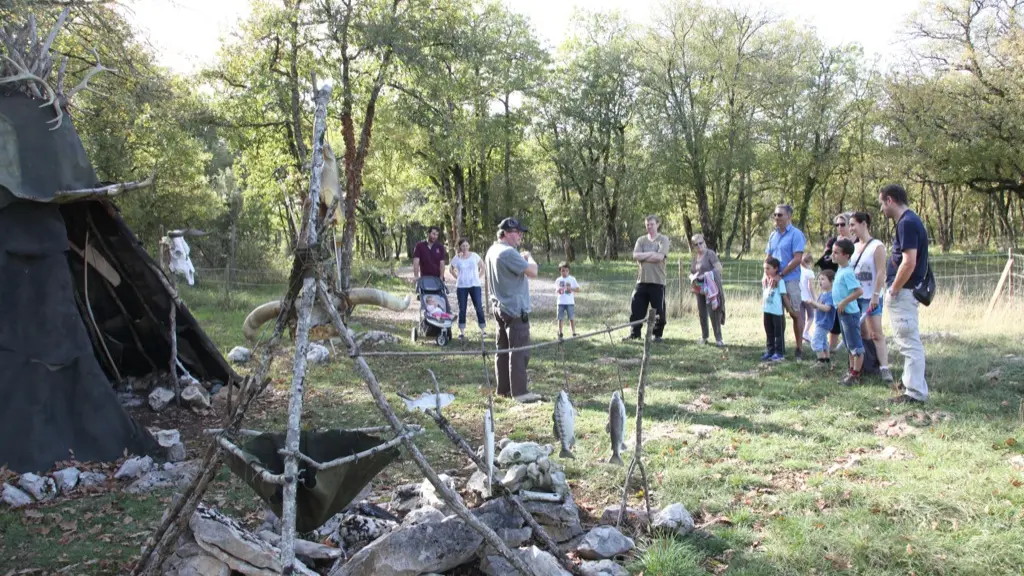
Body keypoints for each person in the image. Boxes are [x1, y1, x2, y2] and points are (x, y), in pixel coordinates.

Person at [879, 183, 930, 404]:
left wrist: (894, 289)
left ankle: (915, 393)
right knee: (908, 341)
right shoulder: (909, 221)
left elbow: (908, 262)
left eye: (882, 203)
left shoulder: (907, 222)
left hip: (905, 291)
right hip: (905, 291)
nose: (882, 209)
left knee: (909, 342)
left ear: (890, 200)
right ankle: (911, 387)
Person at [485, 217, 541, 403]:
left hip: (500, 307)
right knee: (519, 351)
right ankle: (520, 393)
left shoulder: (492, 250)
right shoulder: (508, 252)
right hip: (515, 309)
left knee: (502, 349)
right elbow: (533, 271)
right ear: (506, 233)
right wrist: (528, 257)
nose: (520, 236)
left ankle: (504, 389)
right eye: (517, 232)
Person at [849, 212, 894, 384]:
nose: (851, 228)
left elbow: (881, 272)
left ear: (864, 224)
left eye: (853, 225)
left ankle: (884, 368)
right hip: (856, 296)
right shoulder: (853, 246)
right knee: (862, 333)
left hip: (871, 296)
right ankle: (867, 365)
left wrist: (876, 295)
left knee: (876, 333)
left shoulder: (877, 246)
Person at [765, 204, 807, 359]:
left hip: (790, 280)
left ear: (789, 216)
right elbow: (768, 257)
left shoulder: (796, 235)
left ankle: (799, 348)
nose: (777, 218)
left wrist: (781, 274)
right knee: (775, 315)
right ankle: (777, 348)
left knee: (795, 313)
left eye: (780, 215)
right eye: (775, 215)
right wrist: (766, 274)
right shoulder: (773, 236)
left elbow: (797, 259)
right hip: (773, 282)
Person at [626, 215, 670, 342]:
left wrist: (644, 256)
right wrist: (651, 254)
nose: (649, 227)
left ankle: (657, 335)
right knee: (636, 308)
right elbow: (635, 255)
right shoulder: (641, 240)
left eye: (651, 224)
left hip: (657, 281)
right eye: (647, 224)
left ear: (657, 224)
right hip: (641, 280)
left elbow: (660, 258)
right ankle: (635, 333)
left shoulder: (663, 240)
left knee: (658, 310)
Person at [831, 239, 865, 385]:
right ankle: (850, 371)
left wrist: (844, 302)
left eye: (836, 253)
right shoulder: (840, 269)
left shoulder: (848, 273)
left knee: (855, 346)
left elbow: (859, 291)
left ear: (846, 255)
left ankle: (855, 375)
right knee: (848, 344)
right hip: (842, 313)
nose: (833, 255)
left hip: (850, 314)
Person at [815, 212, 849, 351]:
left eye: (843, 224)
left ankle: (852, 346)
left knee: (850, 315)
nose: (840, 227)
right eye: (837, 225)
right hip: (834, 283)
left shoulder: (856, 242)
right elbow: (825, 260)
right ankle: (831, 347)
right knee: (834, 315)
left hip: (849, 282)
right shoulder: (832, 242)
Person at [688, 233, 726, 346]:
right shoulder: (695, 258)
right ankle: (704, 336)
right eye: (696, 244)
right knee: (702, 313)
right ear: (693, 246)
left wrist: (705, 276)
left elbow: (719, 268)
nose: (699, 246)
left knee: (713, 313)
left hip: (711, 289)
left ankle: (718, 338)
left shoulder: (710, 254)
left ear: (704, 242)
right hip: (699, 289)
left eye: (701, 243)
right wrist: (692, 277)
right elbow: (692, 271)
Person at [449, 237, 486, 341]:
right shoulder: (457, 258)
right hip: (461, 286)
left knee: (478, 306)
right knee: (462, 308)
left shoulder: (474, 256)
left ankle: (483, 330)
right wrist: (457, 278)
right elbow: (450, 269)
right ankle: (462, 332)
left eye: (466, 245)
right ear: (460, 247)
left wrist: (478, 277)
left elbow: (483, 266)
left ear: (469, 246)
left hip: (475, 285)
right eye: (462, 246)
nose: (465, 247)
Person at [804, 269, 837, 368]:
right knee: (823, 341)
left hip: (825, 323)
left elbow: (827, 308)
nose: (820, 281)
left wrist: (815, 304)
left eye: (823, 279)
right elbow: (818, 305)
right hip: (820, 322)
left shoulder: (831, 295)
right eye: (819, 279)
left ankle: (821, 361)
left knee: (815, 341)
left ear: (831, 282)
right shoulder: (823, 294)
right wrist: (812, 304)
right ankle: (827, 359)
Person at [761, 256, 786, 362]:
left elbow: (784, 295)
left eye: (768, 268)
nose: (766, 271)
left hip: (777, 312)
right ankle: (770, 351)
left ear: (776, 269)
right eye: (764, 269)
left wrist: (790, 309)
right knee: (769, 331)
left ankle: (779, 353)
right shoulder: (765, 281)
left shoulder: (780, 282)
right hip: (767, 310)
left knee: (778, 333)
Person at [555, 261, 581, 338]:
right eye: (563, 270)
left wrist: (571, 289)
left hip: (570, 302)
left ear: (569, 271)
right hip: (560, 302)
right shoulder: (558, 280)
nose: (565, 272)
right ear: (560, 271)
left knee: (571, 318)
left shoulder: (572, 279)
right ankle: (560, 333)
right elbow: (556, 290)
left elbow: (578, 289)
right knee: (560, 318)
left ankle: (573, 333)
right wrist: (558, 290)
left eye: (566, 270)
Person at [799, 253, 816, 344]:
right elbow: (810, 287)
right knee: (811, 316)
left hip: (799, 297)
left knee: (802, 318)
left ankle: (801, 335)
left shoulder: (798, 270)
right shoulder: (809, 272)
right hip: (808, 298)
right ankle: (805, 333)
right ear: (810, 262)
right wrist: (815, 298)